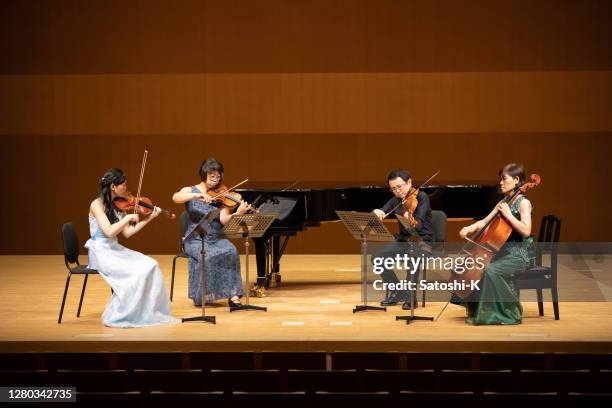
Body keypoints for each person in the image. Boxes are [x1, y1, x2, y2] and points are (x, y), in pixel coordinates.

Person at [86, 168, 178, 328]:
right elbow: (108, 232)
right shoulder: (97, 204)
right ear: (113, 187)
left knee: (151, 265)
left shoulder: (118, 206)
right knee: (137, 273)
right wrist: (127, 217)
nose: (127, 190)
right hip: (100, 251)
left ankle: (144, 312)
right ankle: (123, 314)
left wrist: (149, 218)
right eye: (123, 185)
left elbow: (127, 233)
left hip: (114, 249)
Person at [456, 163, 534, 325]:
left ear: (517, 180)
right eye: (500, 179)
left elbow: (526, 230)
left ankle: (508, 313)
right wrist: (468, 228)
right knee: (476, 265)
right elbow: (484, 222)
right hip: (502, 253)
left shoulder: (523, 203)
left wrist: (508, 215)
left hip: (519, 255)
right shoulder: (504, 202)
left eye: (504, 179)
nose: (500, 182)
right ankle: (483, 310)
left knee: (491, 270)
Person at [172, 157, 250, 308]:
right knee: (207, 255)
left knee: (231, 251)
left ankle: (232, 295)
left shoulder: (222, 194)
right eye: (212, 176)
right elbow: (175, 197)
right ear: (203, 175)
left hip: (216, 237)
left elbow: (224, 220)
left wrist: (238, 213)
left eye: (218, 176)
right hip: (194, 238)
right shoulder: (190, 190)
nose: (215, 180)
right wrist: (196, 196)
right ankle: (202, 295)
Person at [372, 169, 434, 308]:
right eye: (393, 189)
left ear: (409, 182)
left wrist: (410, 220)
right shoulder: (396, 200)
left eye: (399, 186)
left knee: (413, 257)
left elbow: (418, 227)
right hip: (404, 240)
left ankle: (410, 297)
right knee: (377, 258)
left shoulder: (422, 198)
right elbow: (383, 210)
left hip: (424, 241)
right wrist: (378, 211)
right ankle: (397, 291)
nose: (397, 191)